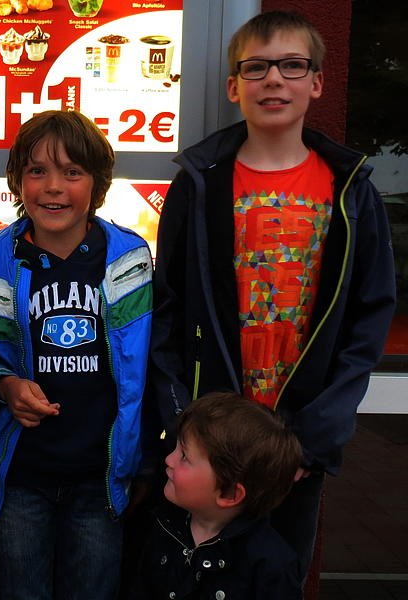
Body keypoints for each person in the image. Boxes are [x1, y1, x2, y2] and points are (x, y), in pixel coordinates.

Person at [147, 10, 396, 582]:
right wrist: (183, 424)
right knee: (191, 579)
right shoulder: (199, 185)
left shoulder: (351, 192)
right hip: (208, 442)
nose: (274, 79)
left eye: (291, 65)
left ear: (317, 82)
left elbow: (367, 322)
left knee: (276, 578)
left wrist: (314, 441)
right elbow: (167, 309)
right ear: (233, 87)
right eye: (256, 67)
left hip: (295, 444)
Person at [0, 109, 153, 599]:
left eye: (72, 172)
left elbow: (145, 362)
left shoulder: (130, 258)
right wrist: (4, 384)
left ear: (97, 183)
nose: (53, 187)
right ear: (17, 180)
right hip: (19, 476)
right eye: (37, 171)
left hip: (100, 475)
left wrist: (143, 461)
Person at [131, 392, 303, 600]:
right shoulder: (164, 526)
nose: (169, 459)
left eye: (184, 456)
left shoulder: (272, 567)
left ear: (229, 493)